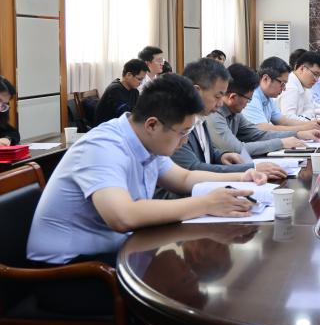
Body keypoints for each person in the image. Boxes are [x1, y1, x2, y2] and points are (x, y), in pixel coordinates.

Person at [26, 72, 268, 283]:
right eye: (183, 132)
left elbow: (184, 178)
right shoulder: (103, 147)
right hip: (68, 271)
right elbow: (123, 216)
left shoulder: (146, 141)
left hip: (112, 252)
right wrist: (206, 204)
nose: (184, 141)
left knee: (175, 275)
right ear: (152, 125)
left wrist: (242, 177)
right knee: (174, 287)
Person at [165, 58, 287, 190]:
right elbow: (193, 168)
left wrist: (221, 156)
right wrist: (250, 169)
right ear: (196, 91)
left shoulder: (202, 116)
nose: (220, 103)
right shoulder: (176, 122)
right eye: (218, 96)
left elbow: (206, 152)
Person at [208, 64, 320, 158]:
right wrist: (281, 143)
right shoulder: (214, 114)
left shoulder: (235, 112)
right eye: (248, 99)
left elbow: (257, 134)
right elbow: (236, 149)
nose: (248, 103)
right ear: (232, 97)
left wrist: (297, 134)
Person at [244, 57, 320, 132]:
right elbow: (264, 129)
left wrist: (311, 124)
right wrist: (304, 128)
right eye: (282, 83)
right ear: (266, 79)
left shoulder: (268, 97)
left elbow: (283, 121)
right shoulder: (252, 96)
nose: (284, 89)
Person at [279, 51, 320, 127]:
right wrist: (318, 120)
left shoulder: (304, 86)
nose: (316, 79)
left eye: (318, 76)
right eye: (315, 74)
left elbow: (309, 109)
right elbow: (288, 119)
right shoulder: (290, 87)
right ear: (302, 69)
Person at [93, 59, 149, 125]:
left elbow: (136, 110)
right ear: (129, 75)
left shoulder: (134, 91)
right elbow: (125, 114)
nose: (141, 82)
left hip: (120, 125)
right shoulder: (115, 89)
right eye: (139, 79)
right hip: (106, 127)